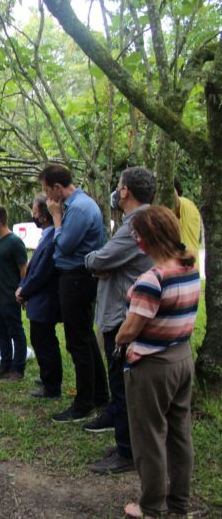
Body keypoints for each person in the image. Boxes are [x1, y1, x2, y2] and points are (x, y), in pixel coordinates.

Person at [116, 206, 201, 519]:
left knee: (149, 437)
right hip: (182, 357)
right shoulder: (188, 264)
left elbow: (130, 329)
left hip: (152, 365)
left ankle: (151, 506)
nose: (136, 239)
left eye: (137, 234)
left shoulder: (152, 279)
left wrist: (118, 340)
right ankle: (179, 501)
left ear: (147, 239)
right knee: (179, 434)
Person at [84, 167, 154, 475]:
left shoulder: (137, 223)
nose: (116, 191)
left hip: (123, 316)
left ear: (125, 191)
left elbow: (99, 260)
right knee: (125, 385)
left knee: (122, 385)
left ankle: (126, 452)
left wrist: (96, 262)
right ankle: (127, 444)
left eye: (118, 186)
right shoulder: (146, 219)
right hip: (128, 309)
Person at [40, 164, 108, 423]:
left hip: (77, 278)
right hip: (77, 277)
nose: (48, 198)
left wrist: (56, 219)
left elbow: (65, 245)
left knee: (77, 342)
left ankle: (84, 404)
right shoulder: (80, 205)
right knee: (86, 339)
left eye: (48, 191)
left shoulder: (78, 208)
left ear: (58, 188)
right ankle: (100, 395)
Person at [16, 195, 62, 398]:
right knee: (40, 339)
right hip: (39, 299)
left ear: (43, 216)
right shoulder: (47, 235)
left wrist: (24, 290)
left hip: (45, 300)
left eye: (34, 212)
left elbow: (41, 272)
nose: (33, 216)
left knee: (45, 342)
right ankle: (47, 377)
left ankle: (52, 386)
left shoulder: (52, 238)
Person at [0, 205, 28, 381]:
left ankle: (18, 368)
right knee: (1, 332)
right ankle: (5, 365)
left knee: (16, 332)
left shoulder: (15, 242)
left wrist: (23, 292)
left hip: (9, 297)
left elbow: (23, 269)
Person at [173, 176, 202, 256]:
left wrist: (163, 178)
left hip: (185, 263)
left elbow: (176, 201)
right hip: (191, 263)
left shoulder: (183, 203)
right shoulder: (191, 204)